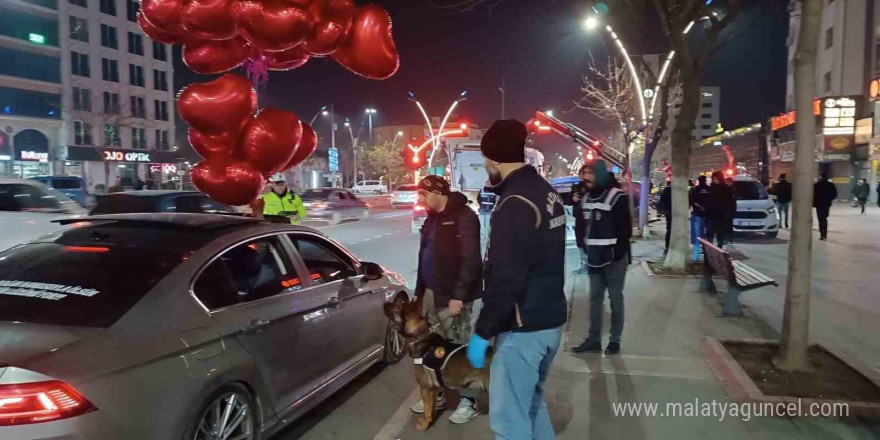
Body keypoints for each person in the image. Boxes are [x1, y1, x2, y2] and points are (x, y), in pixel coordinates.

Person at [466, 119, 567, 440]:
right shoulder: (545, 191)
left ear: (494, 160)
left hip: (523, 329)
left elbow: (506, 278)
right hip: (548, 321)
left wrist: (483, 331)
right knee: (532, 408)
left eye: (485, 160)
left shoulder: (515, 203)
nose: (485, 167)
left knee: (509, 423)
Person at [411, 175, 483, 424]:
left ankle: (469, 401)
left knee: (461, 349)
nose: (421, 199)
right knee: (436, 350)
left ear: (439, 192)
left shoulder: (464, 217)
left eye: (424, 194)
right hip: (433, 293)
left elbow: (471, 261)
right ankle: (437, 393)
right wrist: (420, 294)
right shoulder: (432, 218)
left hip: (455, 298)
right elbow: (424, 258)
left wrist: (458, 296)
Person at [572, 159, 632, 355]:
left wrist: (618, 254)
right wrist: (583, 246)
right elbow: (580, 221)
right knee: (594, 299)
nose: (586, 178)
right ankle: (594, 339)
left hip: (613, 259)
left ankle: (615, 340)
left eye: (590, 173)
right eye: (584, 173)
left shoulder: (617, 196)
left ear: (599, 174)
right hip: (594, 258)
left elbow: (625, 229)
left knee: (615, 299)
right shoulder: (586, 196)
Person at [706, 171, 734, 248]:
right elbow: (708, 202)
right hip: (712, 215)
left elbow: (730, 203)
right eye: (714, 179)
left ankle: (719, 247)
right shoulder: (711, 188)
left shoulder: (726, 189)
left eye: (716, 178)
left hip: (722, 215)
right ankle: (710, 248)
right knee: (710, 233)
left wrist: (729, 214)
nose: (715, 180)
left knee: (720, 234)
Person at [571, 166, 590, 274]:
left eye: (584, 173)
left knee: (588, 240)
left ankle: (591, 265)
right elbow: (569, 200)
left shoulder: (591, 187)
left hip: (588, 218)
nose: (582, 176)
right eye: (580, 173)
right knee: (580, 241)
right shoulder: (576, 187)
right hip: (579, 218)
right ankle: (584, 264)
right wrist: (573, 199)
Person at [813, 173, 837, 241]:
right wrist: (829, 199)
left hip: (819, 204)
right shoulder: (830, 185)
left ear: (821, 177)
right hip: (826, 204)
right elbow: (834, 194)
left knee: (821, 219)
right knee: (824, 218)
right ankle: (824, 234)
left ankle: (822, 234)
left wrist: (814, 203)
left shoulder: (817, 185)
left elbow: (813, 195)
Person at [657, 180, 672, 256]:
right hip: (670, 213)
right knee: (670, 230)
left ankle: (668, 247)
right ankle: (668, 247)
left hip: (670, 213)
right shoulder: (668, 189)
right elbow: (662, 201)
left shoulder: (667, 189)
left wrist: (664, 211)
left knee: (669, 230)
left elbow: (661, 201)